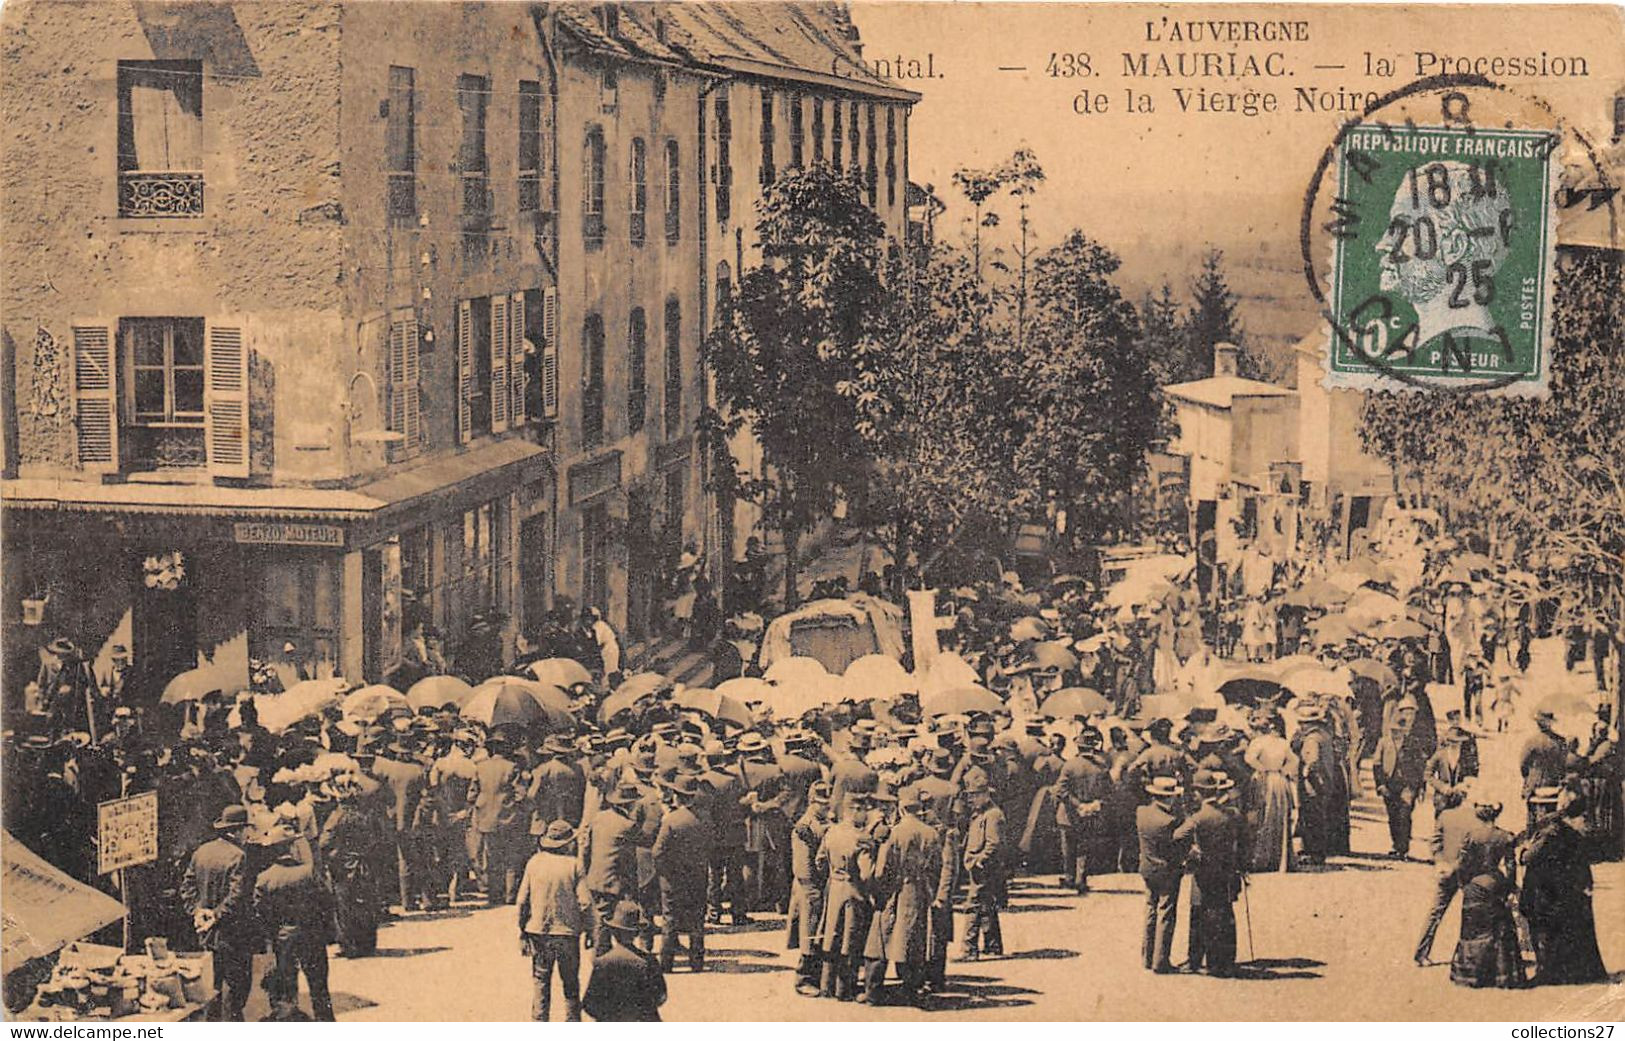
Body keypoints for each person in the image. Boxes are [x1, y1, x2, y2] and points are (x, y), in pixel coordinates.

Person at [865, 786, 947, 1005]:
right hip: (919, 891)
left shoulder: (895, 832)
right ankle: (910, 991)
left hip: (895, 889)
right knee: (912, 940)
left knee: (880, 939)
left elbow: (882, 870)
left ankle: (873, 992)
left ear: (901, 809)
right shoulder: (931, 833)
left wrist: (879, 891)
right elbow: (938, 867)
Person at [1520, 788, 1608, 985]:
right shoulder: (1568, 830)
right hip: (1563, 888)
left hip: (1543, 889)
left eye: (1538, 807)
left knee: (1543, 930)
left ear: (1542, 808)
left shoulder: (1547, 830)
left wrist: (1522, 851)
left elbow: (1529, 857)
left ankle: (1546, 972)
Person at [180, 805, 257, 1021]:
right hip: (233, 933)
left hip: (205, 932)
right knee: (237, 985)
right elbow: (237, 896)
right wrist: (215, 915)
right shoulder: (238, 856)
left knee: (213, 983)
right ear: (235, 831)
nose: (246, 834)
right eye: (244, 829)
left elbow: (187, 887)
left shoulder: (201, 852)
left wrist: (197, 911)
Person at [254, 824, 336, 1021]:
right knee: (319, 990)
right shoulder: (308, 872)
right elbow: (327, 903)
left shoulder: (264, 879)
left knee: (287, 992)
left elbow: (261, 915)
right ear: (291, 848)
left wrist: (271, 940)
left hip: (283, 941)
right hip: (312, 936)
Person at [1448, 789, 1524, 989]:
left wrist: (1463, 884)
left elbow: (1462, 864)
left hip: (1474, 886)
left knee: (1473, 930)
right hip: (1495, 884)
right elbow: (1510, 867)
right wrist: (1508, 890)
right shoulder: (1505, 836)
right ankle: (1502, 975)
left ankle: (1472, 975)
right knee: (1498, 929)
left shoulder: (1471, 836)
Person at [515, 820, 589, 1022]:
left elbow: (521, 902)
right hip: (567, 933)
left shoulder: (534, 862)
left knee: (541, 979)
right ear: (567, 844)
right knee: (570, 982)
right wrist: (587, 928)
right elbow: (584, 903)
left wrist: (522, 932)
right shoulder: (574, 865)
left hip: (539, 931)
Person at [1183, 770, 1246, 976]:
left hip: (1204, 873)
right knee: (1225, 913)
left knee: (1199, 915)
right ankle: (1224, 960)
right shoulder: (1231, 814)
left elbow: (1177, 836)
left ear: (1199, 792)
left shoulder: (1198, 818)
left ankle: (1196, 960)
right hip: (1226, 871)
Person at [817, 793, 877, 1000]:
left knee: (831, 937)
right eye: (863, 811)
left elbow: (820, 860)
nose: (866, 816)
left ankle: (826, 986)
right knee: (850, 941)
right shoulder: (861, 838)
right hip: (854, 892)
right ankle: (845, 990)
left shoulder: (831, 832)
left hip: (834, 890)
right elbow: (866, 873)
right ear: (855, 811)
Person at [651, 773, 711, 973]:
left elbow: (657, 852)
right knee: (697, 919)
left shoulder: (671, 820)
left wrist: (664, 872)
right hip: (698, 875)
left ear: (677, 796)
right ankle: (697, 961)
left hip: (672, 878)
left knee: (670, 919)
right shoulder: (705, 817)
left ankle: (666, 963)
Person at [1414, 780, 1474, 966]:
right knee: (1472, 913)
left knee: (1435, 912)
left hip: (1446, 870)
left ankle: (1421, 953)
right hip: (1468, 872)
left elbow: (1435, 842)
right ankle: (1466, 955)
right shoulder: (1477, 819)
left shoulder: (1445, 816)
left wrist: (1440, 861)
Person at [581, 772, 641, 953]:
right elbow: (629, 860)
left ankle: (601, 950)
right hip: (614, 879)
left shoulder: (599, 817)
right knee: (609, 919)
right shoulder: (628, 825)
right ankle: (602, 956)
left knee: (600, 914)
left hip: (595, 875)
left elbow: (586, 849)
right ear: (630, 804)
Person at [582, 901, 668, 1022]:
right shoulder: (649, 962)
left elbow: (589, 1004)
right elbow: (660, 996)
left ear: (613, 932)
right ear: (637, 933)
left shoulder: (602, 962)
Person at [1137, 776, 1189, 974]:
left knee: (1150, 909)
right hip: (1168, 871)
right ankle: (1161, 960)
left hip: (1148, 868)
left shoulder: (1141, 812)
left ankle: (1147, 957)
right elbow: (1180, 844)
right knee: (1166, 913)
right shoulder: (1171, 821)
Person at [788, 781, 833, 995]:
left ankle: (819, 978)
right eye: (821, 804)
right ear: (811, 802)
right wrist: (812, 891)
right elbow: (803, 867)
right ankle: (803, 979)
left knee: (820, 933)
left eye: (827, 803)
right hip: (810, 888)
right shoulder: (803, 827)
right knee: (809, 933)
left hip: (823, 886)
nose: (826, 807)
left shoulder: (825, 821)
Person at [1054, 727, 1109, 895]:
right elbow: (1109, 793)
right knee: (1084, 847)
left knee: (1068, 848)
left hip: (1069, 814)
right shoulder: (1101, 767)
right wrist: (1094, 804)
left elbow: (1060, 790)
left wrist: (1077, 805)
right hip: (1091, 813)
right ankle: (1081, 878)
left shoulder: (1069, 765)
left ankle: (1069, 877)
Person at [957, 777, 1006, 961]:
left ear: (986, 795)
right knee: (986, 905)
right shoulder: (980, 812)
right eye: (969, 796)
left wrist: (980, 860)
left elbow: (994, 843)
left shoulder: (992, 815)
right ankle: (993, 946)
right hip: (978, 866)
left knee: (973, 906)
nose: (971, 800)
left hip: (985, 868)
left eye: (975, 795)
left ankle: (969, 950)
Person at [1373, 703, 1429, 859]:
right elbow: (1376, 765)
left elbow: (1420, 766)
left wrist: (1421, 787)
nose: (1396, 734)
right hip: (1390, 784)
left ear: (1404, 731)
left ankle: (1403, 848)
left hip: (1407, 785)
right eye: (1393, 731)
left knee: (1405, 814)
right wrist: (1381, 785)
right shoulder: (1383, 743)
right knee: (1393, 816)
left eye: (1399, 731)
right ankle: (1396, 844)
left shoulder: (1413, 743)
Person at [1243, 713, 1297, 872]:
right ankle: (1279, 858)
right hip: (1279, 779)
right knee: (1279, 817)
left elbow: (1249, 759)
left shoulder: (1257, 742)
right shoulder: (1283, 743)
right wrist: (1282, 770)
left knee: (1263, 816)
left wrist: (1262, 768)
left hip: (1264, 779)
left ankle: (1262, 858)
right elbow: (1294, 761)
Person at [469, 734, 519, 904]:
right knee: (510, 858)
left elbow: (472, 794)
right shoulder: (512, 767)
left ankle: (494, 895)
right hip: (508, 816)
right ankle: (510, 895)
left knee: (491, 856)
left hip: (485, 818)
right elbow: (520, 793)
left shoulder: (480, 767)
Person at [1520, 710, 1569, 824]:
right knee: (1551, 817)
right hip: (1553, 783)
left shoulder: (1531, 742)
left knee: (1532, 819)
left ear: (1537, 724)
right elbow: (1564, 764)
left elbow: (1523, 764)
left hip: (1534, 784)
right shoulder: (1560, 741)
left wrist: (1528, 777)